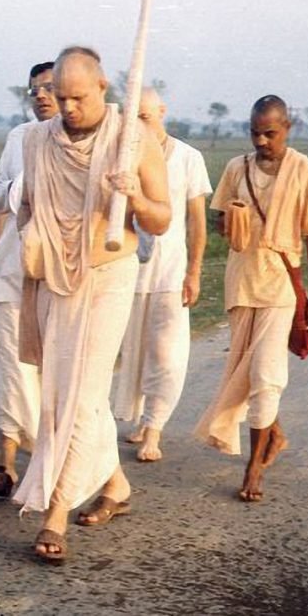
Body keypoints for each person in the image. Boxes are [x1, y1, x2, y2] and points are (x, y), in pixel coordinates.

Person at [11, 47, 170, 563]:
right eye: (61, 98)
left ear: (103, 88)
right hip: (53, 277)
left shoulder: (133, 139)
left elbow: (161, 219)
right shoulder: (38, 140)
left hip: (108, 273)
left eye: (78, 97)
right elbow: (29, 207)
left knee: (80, 397)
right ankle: (116, 484)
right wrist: (40, 249)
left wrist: (134, 197)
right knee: (60, 394)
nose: (68, 107)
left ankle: (56, 514)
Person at [194, 95, 308, 502]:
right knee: (247, 371)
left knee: (267, 375)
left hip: (280, 287)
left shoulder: (307, 172)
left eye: (270, 133)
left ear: (288, 127)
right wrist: (230, 220)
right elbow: (220, 219)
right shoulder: (237, 168)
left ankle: (253, 467)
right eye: (255, 132)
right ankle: (274, 435)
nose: (261, 140)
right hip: (241, 283)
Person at [0, 61, 57, 498]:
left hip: (58, 271)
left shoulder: (84, 141)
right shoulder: (19, 137)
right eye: (34, 90)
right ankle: (5, 463)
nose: (40, 96)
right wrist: (20, 188)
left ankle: (49, 457)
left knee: (49, 366)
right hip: (12, 265)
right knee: (10, 364)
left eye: (49, 88)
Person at [113, 87, 212, 462]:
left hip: (170, 273)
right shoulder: (123, 158)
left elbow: (197, 223)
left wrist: (195, 272)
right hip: (127, 273)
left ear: (162, 111)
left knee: (167, 354)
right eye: (132, 117)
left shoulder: (188, 157)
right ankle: (141, 419)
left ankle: (154, 428)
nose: (139, 124)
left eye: (145, 116)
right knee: (133, 352)